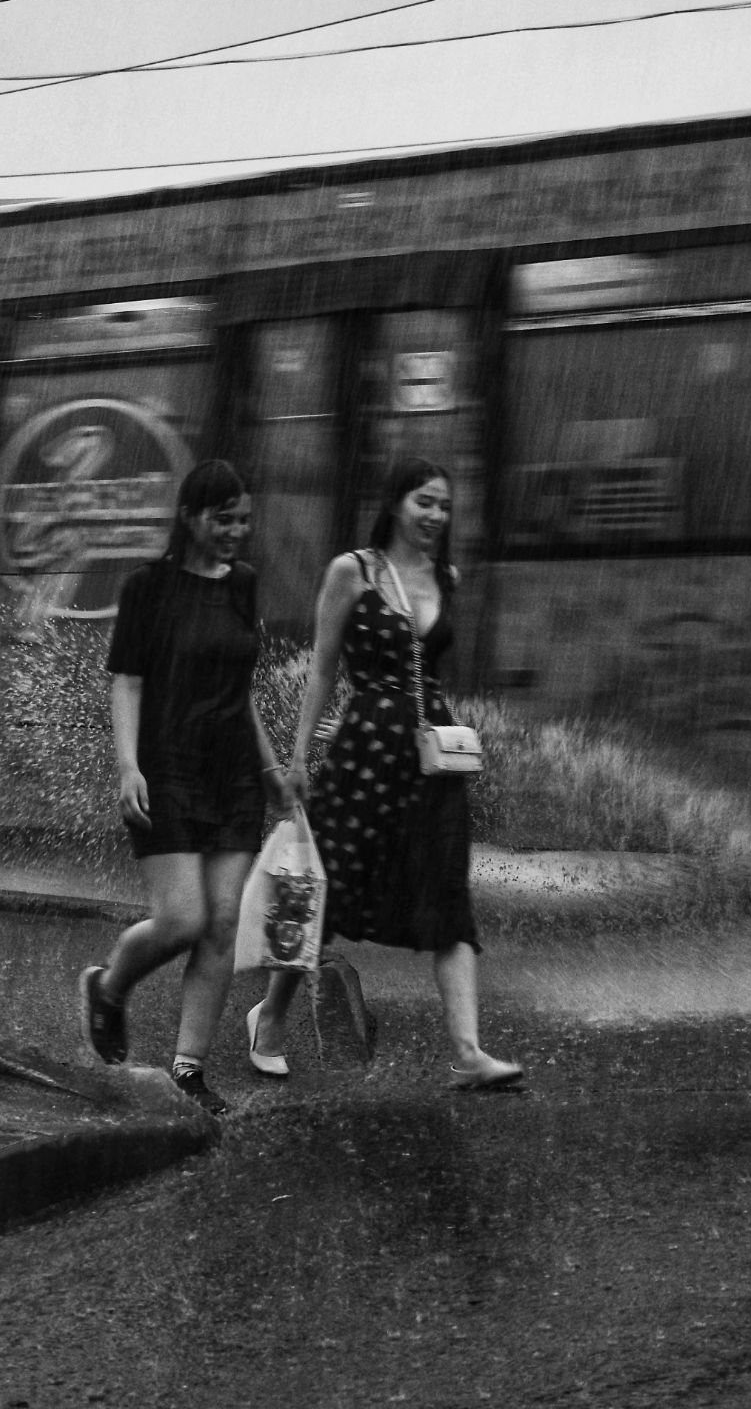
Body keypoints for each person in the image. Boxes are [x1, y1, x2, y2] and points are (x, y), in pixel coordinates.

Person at [250, 458, 523, 1090]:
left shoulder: (445, 577)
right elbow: (322, 668)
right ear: (396, 503)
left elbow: (429, 674)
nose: (435, 516)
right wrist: (297, 759)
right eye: (424, 502)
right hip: (364, 751)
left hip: (431, 765)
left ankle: (469, 1050)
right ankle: (269, 1018)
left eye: (444, 506)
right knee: (320, 890)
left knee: (448, 897)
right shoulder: (354, 571)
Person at [78, 459, 292, 1116]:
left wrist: (271, 768)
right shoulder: (149, 588)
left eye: (243, 520)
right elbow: (128, 680)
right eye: (222, 518)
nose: (234, 531)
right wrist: (127, 765)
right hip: (165, 767)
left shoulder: (243, 585)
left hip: (232, 776)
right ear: (190, 518)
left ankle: (188, 1071)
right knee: (182, 919)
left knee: (223, 923)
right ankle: (108, 989)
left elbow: (241, 688)